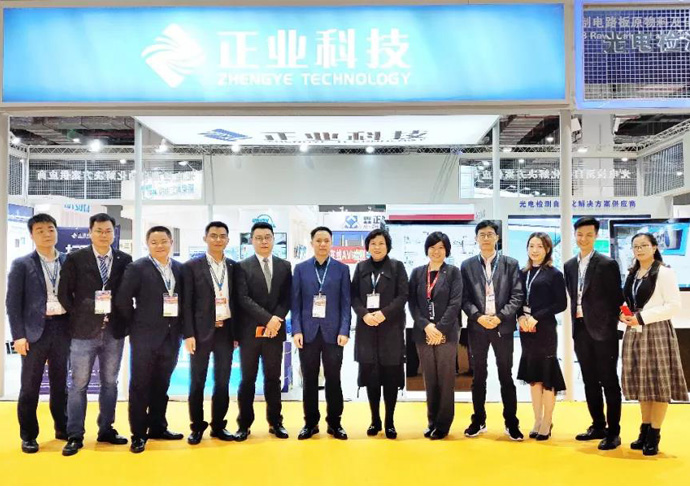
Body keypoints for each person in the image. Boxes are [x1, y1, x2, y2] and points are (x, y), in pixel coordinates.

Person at [58, 213, 132, 456]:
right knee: (78, 384)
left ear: (114, 233)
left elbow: (127, 294)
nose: (103, 235)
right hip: (83, 333)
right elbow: (63, 293)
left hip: (114, 332)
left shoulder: (124, 260)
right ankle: (74, 434)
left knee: (110, 383)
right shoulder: (75, 258)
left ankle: (106, 429)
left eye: (108, 230)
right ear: (90, 233)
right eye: (99, 230)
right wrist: (79, 315)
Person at [116, 226, 185, 453]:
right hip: (144, 337)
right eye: (154, 242)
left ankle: (157, 426)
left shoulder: (180, 268)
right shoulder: (137, 268)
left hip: (172, 336)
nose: (159, 246)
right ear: (147, 245)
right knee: (140, 385)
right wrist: (135, 324)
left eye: (163, 241)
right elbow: (123, 299)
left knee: (162, 384)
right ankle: (138, 434)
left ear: (171, 242)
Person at [619, 232, 688, 456]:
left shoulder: (664, 272)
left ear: (655, 247)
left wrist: (641, 317)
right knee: (643, 383)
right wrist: (624, 315)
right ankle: (645, 428)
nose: (639, 250)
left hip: (656, 330)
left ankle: (654, 434)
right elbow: (627, 302)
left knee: (658, 384)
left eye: (644, 245)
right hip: (634, 331)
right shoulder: (633, 273)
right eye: (635, 246)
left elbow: (674, 306)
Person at [6, 214, 70, 453]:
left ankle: (62, 427)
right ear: (32, 235)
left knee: (60, 383)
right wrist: (18, 336)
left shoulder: (68, 261)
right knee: (30, 386)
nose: (46, 234)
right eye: (40, 230)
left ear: (56, 232)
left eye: (50, 229)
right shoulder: (22, 264)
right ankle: (29, 435)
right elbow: (13, 303)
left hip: (63, 328)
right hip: (34, 332)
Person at [461, 220, 524, 441]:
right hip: (477, 327)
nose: (486, 238)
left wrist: (499, 317)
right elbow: (464, 298)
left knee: (506, 375)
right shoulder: (467, 265)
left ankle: (511, 422)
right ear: (476, 238)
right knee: (478, 375)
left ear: (497, 238)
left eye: (490, 234)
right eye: (482, 234)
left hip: (502, 327)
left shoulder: (510, 264)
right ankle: (478, 420)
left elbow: (517, 295)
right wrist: (478, 317)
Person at [564, 216, 624, 451]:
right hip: (580, 329)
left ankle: (614, 432)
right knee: (589, 380)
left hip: (604, 332)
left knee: (609, 381)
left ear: (596, 236)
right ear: (575, 235)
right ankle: (598, 425)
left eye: (589, 235)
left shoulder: (607, 264)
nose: (584, 239)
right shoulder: (569, 265)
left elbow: (616, 299)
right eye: (580, 234)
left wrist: (609, 325)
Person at [291, 226, 351, 440]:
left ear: (331, 243)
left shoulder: (342, 269)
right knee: (309, 379)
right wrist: (296, 329)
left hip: (334, 334)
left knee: (334, 379)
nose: (322, 244)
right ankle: (310, 423)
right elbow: (295, 303)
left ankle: (335, 423)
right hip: (307, 333)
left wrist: (344, 330)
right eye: (318, 240)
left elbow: (346, 303)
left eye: (326, 240)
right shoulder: (301, 269)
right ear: (312, 243)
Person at [234, 222, 292, 441]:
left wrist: (276, 321)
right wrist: (268, 319)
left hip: (274, 333)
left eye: (267, 237)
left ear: (273, 239)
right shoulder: (242, 266)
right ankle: (244, 424)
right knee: (247, 380)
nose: (263, 241)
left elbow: (287, 298)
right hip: (250, 333)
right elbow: (243, 299)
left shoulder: (285, 266)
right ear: (251, 240)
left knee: (273, 379)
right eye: (258, 238)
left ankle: (276, 422)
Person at [183, 221, 237, 445]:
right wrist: (188, 334)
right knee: (197, 381)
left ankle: (218, 425)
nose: (218, 239)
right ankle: (197, 427)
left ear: (228, 240)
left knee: (223, 381)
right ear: (205, 238)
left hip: (226, 331)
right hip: (200, 332)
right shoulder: (191, 266)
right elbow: (186, 303)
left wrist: (236, 334)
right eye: (213, 235)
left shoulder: (234, 267)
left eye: (222, 236)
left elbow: (237, 302)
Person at [351, 229, 408, 439]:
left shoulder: (397, 267)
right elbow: (353, 296)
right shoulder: (361, 268)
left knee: (391, 378)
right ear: (367, 246)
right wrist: (364, 314)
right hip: (367, 330)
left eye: (381, 243)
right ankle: (375, 420)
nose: (377, 247)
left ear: (388, 246)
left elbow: (403, 296)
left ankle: (389, 422)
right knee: (372, 377)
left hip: (390, 330)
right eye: (373, 243)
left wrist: (384, 314)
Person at [408, 231, 463, 440]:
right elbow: (412, 304)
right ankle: (432, 420)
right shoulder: (417, 273)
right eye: (432, 247)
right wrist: (426, 326)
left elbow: (455, 303)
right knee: (429, 378)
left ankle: (443, 424)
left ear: (446, 250)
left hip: (446, 333)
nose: (436, 251)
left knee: (446, 379)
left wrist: (439, 328)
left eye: (441, 247)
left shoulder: (453, 272)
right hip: (423, 333)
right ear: (427, 249)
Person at [516, 232, 567, 441]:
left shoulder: (554, 274)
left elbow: (561, 304)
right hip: (526, 330)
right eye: (531, 246)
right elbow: (517, 299)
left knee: (547, 376)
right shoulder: (522, 273)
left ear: (547, 249)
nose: (535, 250)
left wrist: (536, 317)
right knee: (533, 377)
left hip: (544, 330)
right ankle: (537, 419)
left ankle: (547, 420)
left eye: (539, 246)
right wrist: (520, 317)